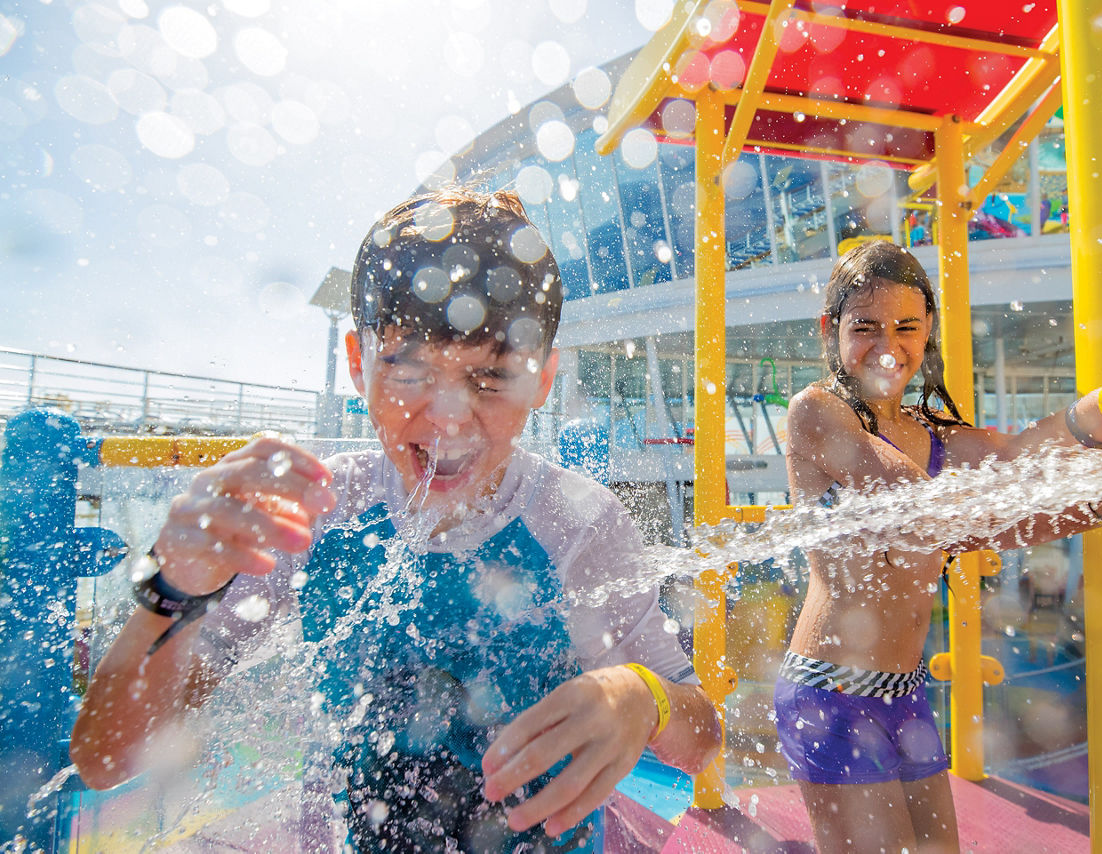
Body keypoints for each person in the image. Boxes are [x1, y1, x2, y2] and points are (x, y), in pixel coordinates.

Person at [70, 187, 721, 851]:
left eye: (492, 376)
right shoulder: (316, 517)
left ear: (544, 380)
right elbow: (107, 762)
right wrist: (173, 591)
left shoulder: (576, 522)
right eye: (408, 369)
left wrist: (644, 698)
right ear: (359, 363)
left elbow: (699, 742)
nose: (447, 417)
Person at [774, 240, 1102, 854]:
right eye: (866, 328)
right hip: (833, 691)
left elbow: (1022, 457)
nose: (889, 346)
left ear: (929, 327)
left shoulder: (933, 437)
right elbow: (931, 512)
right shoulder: (817, 413)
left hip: (901, 692)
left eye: (907, 326)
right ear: (830, 330)